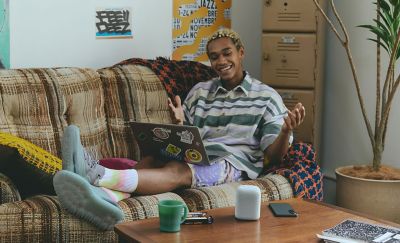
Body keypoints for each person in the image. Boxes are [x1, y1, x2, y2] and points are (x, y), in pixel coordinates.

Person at [53, 28, 305, 230]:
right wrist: (180, 124)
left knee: (177, 170)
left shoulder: (266, 97)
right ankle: (105, 199)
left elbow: (274, 157)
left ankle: (97, 175)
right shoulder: (200, 92)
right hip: (200, 154)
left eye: (227, 53)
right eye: (215, 56)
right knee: (154, 155)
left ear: (241, 53)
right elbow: (190, 138)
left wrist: (285, 131)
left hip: (232, 162)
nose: (221, 61)